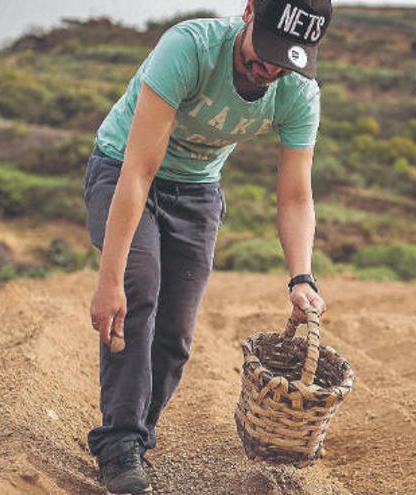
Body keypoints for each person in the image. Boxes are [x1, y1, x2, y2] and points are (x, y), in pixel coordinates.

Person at [82, 0, 331, 492]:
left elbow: (296, 196)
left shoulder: (298, 92)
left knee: (175, 336)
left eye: (288, 58)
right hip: (123, 170)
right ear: (249, 12)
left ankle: (137, 439)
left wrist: (301, 277)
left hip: (197, 190)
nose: (272, 68)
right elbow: (139, 170)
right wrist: (110, 281)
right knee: (140, 287)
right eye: (268, 50)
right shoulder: (190, 48)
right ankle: (119, 445)